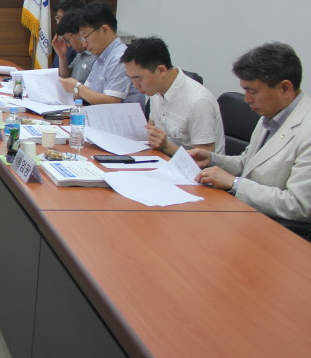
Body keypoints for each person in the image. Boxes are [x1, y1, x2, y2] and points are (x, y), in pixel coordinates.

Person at [193, 42, 310, 223]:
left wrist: (234, 183)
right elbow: (248, 163)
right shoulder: (272, 112)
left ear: (285, 89)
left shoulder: (306, 130)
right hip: (247, 214)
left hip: (278, 229)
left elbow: (299, 205)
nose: (247, 99)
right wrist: (212, 159)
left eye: (252, 91)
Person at [122, 37, 224, 155]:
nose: (135, 86)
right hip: (162, 159)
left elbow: (204, 159)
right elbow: (151, 130)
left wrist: (166, 147)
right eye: (131, 79)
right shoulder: (156, 90)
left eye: (138, 79)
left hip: (190, 166)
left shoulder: (198, 102)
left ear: (161, 70)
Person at [58, 1, 143, 105]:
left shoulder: (120, 57)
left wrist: (77, 87)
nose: (84, 44)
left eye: (85, 37)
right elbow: (86, 92)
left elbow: (111, 101)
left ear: (104, 30)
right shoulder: (101, 58)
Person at [52, 10, 96, 83]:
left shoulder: (96, 56)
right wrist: (62, 56)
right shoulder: (80, 53)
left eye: (67, 40)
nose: (68, 45)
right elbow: (66, 78)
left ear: (80, 33)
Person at [51, 0, 87, 71]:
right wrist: (62, 57)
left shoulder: (80, 45)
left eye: (60, 18)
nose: (58, 22)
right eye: (57, 18)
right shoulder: (63, 42)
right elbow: (62, 73)